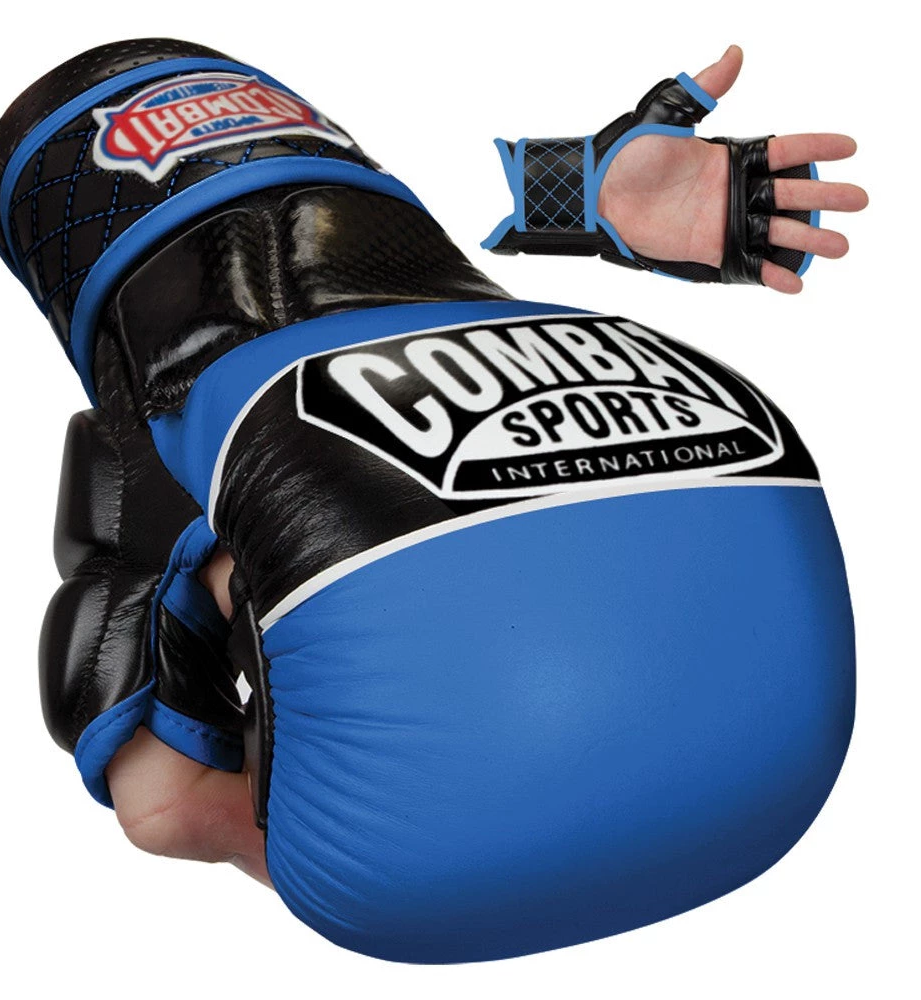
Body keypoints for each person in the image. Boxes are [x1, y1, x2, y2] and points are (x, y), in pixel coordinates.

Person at [95, 43, 866, 889]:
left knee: (161, 776)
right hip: (768, 792)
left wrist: (570, 194)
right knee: (166, 781)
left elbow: (165, 808)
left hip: (731, 790)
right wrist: (567, 194)